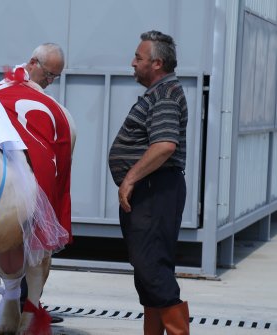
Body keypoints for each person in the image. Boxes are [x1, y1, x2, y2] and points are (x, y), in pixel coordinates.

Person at [0, 42, 67, 330]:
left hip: (24, 178)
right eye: (48, 75)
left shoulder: (35, 99)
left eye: (55, 78)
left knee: (27, 241)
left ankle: (23, 302)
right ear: (33, 63)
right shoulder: (2, 91)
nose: (50, 82)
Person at [108, 30, 189, 335]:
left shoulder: (166, 95)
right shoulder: (159, 93)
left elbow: (165, 144)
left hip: (155, 193)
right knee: (146, 273)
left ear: (156, 63)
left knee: (153, 270)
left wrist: (129, 178)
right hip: (150, 194)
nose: (133, 62)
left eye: (138, 58)